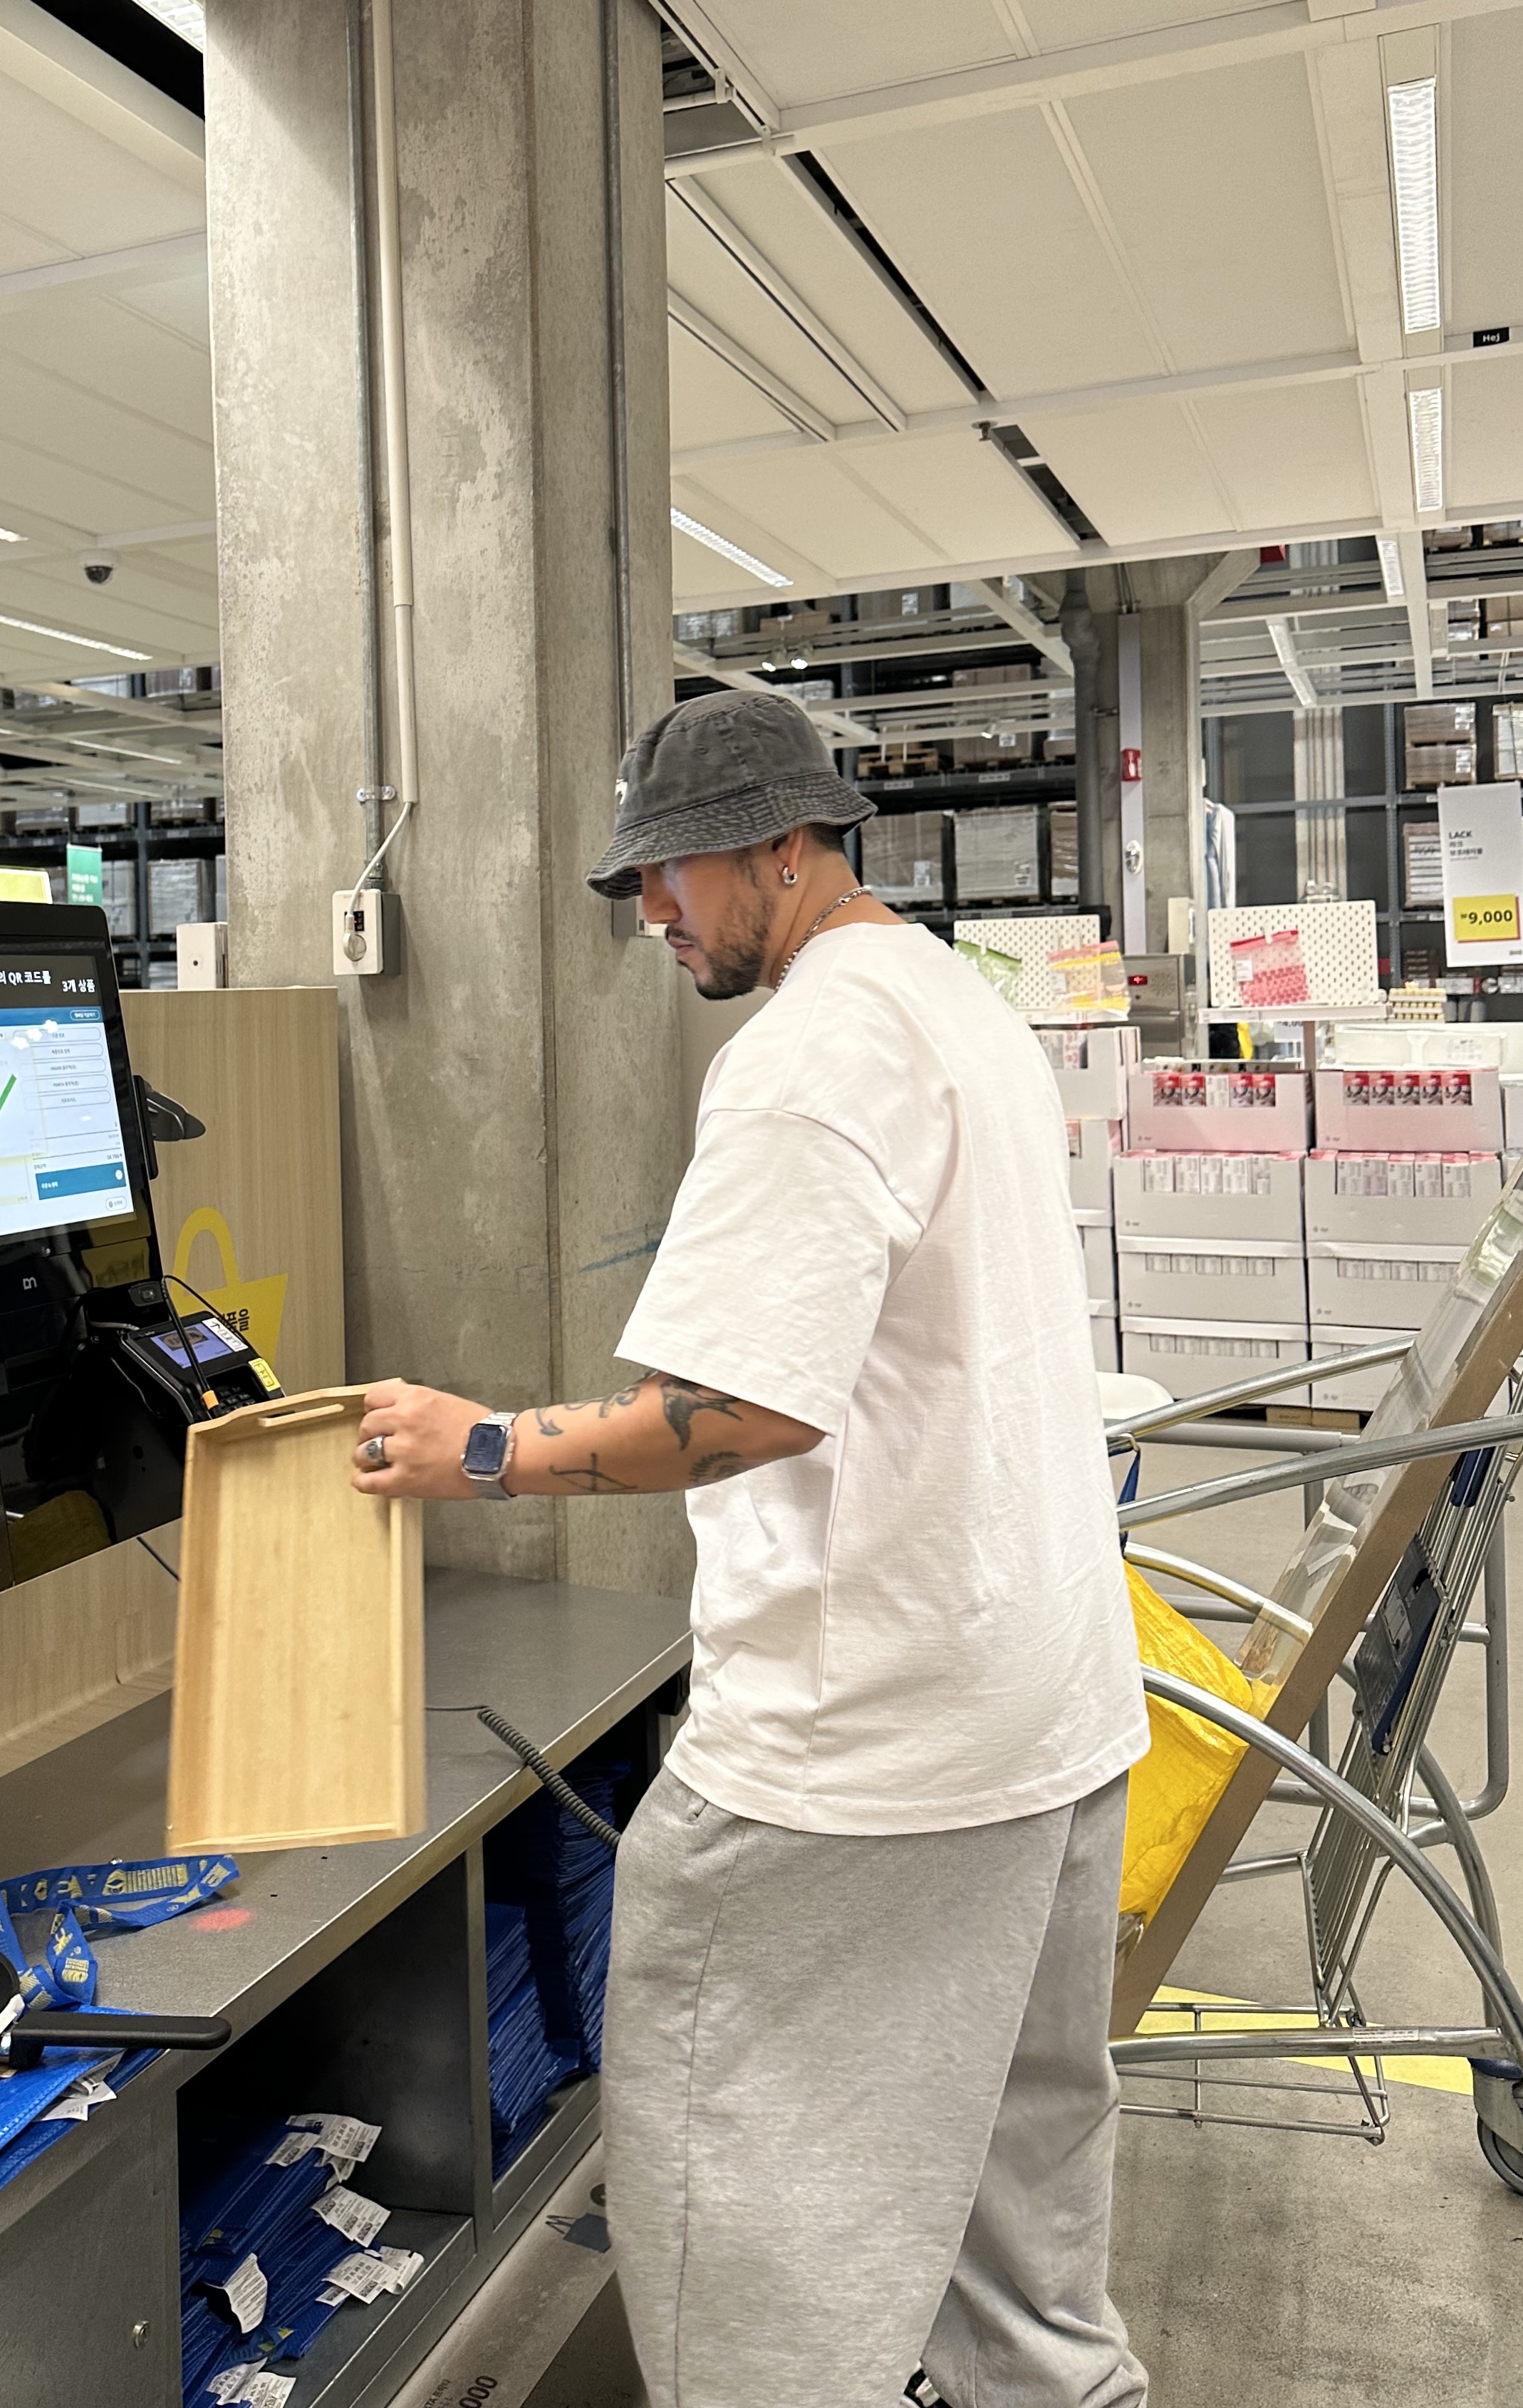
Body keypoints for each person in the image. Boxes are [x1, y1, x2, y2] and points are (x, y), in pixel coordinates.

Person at [350, 687, 1150, 2408]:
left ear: (782, 848)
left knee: (747, 2243)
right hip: (1049, 1706)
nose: (650, 912)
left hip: (861, 1748)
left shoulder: (801, 1060)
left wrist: (477, 1446)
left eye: (672, 873)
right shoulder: (957, 1000)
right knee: (1024, 2255)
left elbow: (741, 1409)